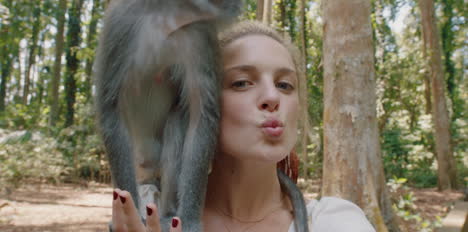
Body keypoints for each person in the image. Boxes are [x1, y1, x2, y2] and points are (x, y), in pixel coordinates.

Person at [111, 21, 376, 232]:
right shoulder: (152, 216)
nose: (272, 98)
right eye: (241, 83)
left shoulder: (334, 222)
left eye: (285, 85)